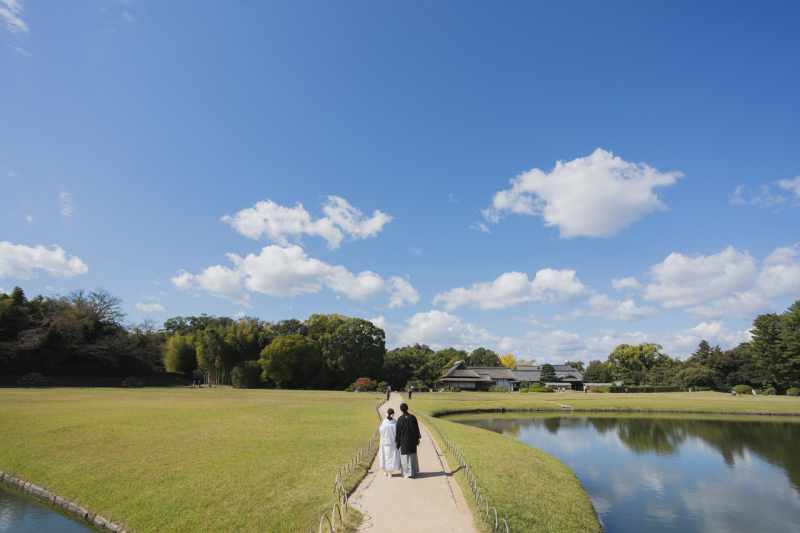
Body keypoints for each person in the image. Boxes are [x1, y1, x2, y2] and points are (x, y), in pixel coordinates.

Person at [395, 403, 421, 478]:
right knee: (412, 456)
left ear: (401, 410)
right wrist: (417, 438)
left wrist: (398, 441)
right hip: (412, 439)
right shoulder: (413, 417)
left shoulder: (400, 419)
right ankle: (413, 471)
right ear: (407, 408)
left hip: (403, 440)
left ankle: (406, 473)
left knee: (405, 457)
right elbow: (416, 429)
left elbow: (398, 432)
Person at [378, 408, 401, 476]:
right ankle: (390, 471)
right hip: (393, 443)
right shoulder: (395, 422)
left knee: (386, 456)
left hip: (386, 443)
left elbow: (381, 431)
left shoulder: (384, 422)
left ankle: (386, 470)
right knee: (392, 458)